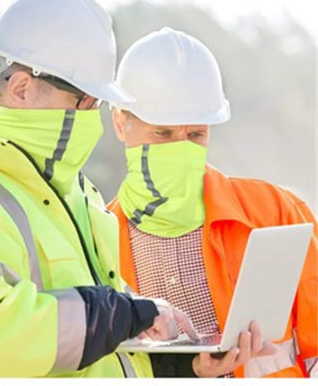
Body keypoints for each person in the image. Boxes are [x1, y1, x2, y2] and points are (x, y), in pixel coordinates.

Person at [0, 0, 198, 378]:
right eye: (86, 101)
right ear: (22, 88)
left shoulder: (79, 197)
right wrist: (120, 314)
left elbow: (98, 340)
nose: (93, 116)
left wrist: (179, 365)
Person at [108, 27, 318, 378]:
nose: (180, 146)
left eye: (195, 135)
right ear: (119, 122)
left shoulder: (275, 212)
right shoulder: (99, 236)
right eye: (162, 133)